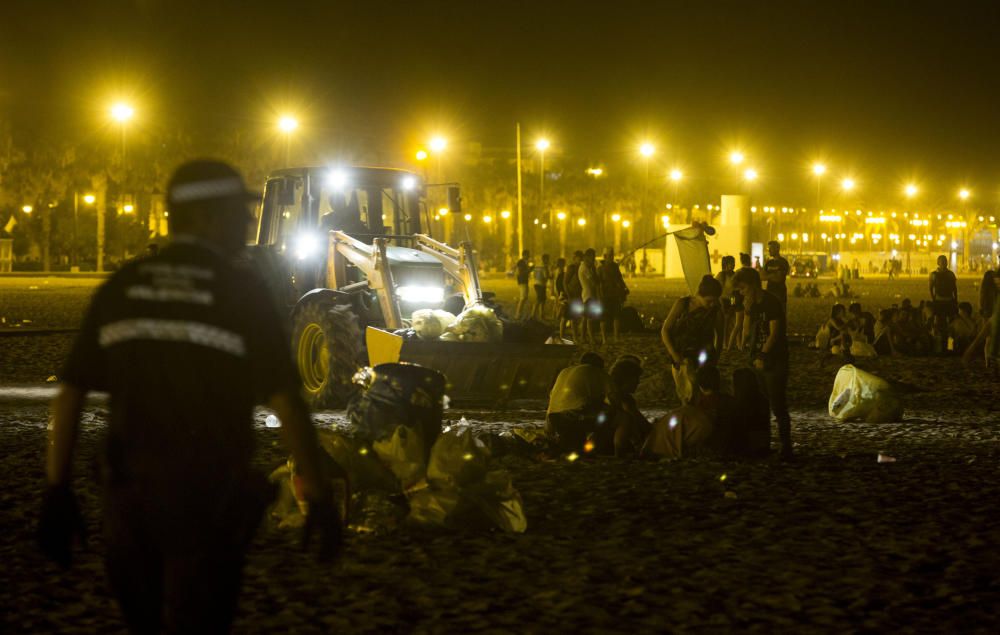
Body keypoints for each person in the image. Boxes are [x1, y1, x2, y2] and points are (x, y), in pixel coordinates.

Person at [39, 160, 342, 633]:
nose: (247, 222)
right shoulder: (241, 292)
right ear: (207, 216)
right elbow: (287, 403)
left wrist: (57, 490)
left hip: (128, 500)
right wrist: (319, 496)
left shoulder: (123, 286)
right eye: (237, 212)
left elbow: (70, 393)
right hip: (207, 500)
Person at [733, 267, 793, 459]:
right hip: (756, 357)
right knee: (761, 403)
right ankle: (764, 443)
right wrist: (743, 339)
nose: (741, 293)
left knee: (777, 404)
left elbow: (775, 333)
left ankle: (786, 446)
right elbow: (747, 327)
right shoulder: (750, 303)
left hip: (775, 359)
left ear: (752, 285)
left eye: (743, 288)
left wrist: (763, 355)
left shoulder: (771, 302)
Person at [545, 352, 633, 455]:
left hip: (554, 419)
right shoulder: (598, 372)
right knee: (624, 419)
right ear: (600, 366)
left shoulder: (565, 372)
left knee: (578, 448)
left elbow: (554, 401)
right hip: (575, 416)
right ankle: (619, 453)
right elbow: (615, 400)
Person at [660, 274, 724, 405]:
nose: (712, 304)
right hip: (681, 357)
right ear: (699, 295)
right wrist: (674, 354)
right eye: (709, 301)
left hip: (705, 357)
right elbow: (665, 330)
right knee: (687, 397)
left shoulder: (716, 311)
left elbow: (720, 337)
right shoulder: (683, 304)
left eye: (715, 301)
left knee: (704, 396)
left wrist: (715, 359)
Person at [598, 247, 629, 343]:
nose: (611, 256)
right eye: (609, 255)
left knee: (617, 316)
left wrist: (625, 288)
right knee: (604, 318)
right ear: (605, 256)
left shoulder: (615, 267)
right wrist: (600, 295)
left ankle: (616, 337)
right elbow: (598, 283)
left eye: (612, 254)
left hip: (615, 295)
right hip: (605, 296)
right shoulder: (600, 269)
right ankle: (604, 339)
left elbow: (620, 279)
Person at [930, 254, 958, 351]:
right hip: (939, 301)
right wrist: (934, 298)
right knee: (938, 324)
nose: (943, 263)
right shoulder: (933, 274)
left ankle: (950, 347)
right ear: (938, 263)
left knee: (950, 325)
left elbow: (954, 288)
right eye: (941, 261)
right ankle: (939, 347)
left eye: (945, 261)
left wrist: (955, 300)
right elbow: (931, 287)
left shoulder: (951, 274)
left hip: (949, 301)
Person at [579, 248, 602, 344]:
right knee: (590, 318)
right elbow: (593, 281)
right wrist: (596, 271)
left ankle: (583, 337)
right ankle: (591, 338)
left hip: (587, 295)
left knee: (585, 318)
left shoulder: (586, 267)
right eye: (592, 257)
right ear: (587, 257)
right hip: (588, 295)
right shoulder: (584, 268)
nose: (594, 259)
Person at [716, 255, 737, 348]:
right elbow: (718, 291)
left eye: (734, 262)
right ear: (726, 264)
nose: (733, 265)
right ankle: (724, 343)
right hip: (723, 301)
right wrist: (721, 304)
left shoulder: (735, 274)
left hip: (732, 300)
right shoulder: (722, 275)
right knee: (724, 324)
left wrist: (733, 304)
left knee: (732, 323)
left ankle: (730, 342)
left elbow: (735, 292)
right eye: (731, 263)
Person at [563, 250, 584, 340]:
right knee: (574, 317)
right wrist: (569, 296)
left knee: (582, 316)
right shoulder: (571, 268)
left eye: (581, 258)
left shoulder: (582, 268)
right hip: (573, 295)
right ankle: (575, 337)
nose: (580, 260)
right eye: (579, 258)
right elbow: (565, 282)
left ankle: (580, 335)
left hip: (581, 295)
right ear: (575, 258)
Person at [762, 240, 790, 308]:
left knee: (780, 315)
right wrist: (773, 275)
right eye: (768, 249)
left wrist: (768, 276)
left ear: (777, 249)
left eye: (771, 248)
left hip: (780, 293)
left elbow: (779, 279)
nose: (769, 251)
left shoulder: (783, 262)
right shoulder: (769, 262)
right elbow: (762, 277)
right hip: (769, 292)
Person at [512, 249, 532, 319]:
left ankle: (519, 312)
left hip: (524, 281)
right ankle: (518, 314)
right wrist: (529, 270)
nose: (529, 256)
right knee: (523, 298)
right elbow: (520, 272)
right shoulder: (521, 262)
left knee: (524, 297)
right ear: (524, 255)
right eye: (528, 254)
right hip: (522, 281)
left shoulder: (524, 262)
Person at [531, 253, 551, 320]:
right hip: (541, 285)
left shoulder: (537, 266)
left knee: (542, 300)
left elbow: (533, 275)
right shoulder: (544, 267)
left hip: (536, 284)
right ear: (545, 259)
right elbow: (546, 276)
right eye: (548, 259)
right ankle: (533, 315)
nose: (548, 261)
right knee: (539, 300)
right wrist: (551, 276)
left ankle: (541, 315)